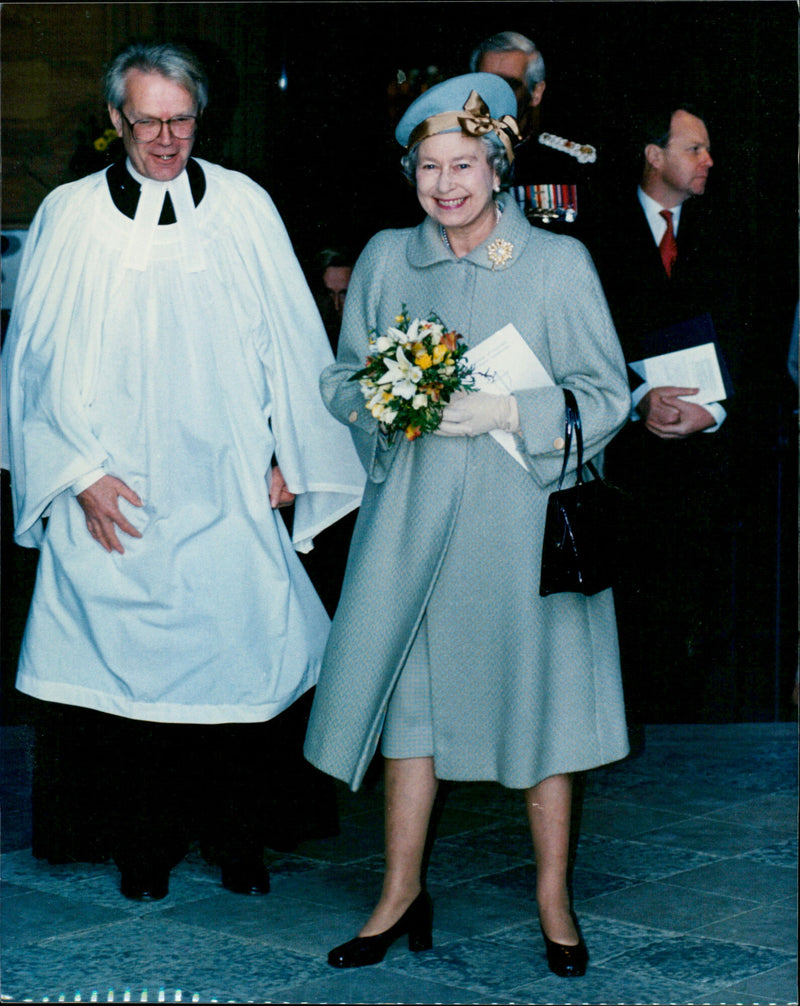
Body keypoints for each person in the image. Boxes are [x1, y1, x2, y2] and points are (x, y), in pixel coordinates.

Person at [2, 41, 364, 900]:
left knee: (238, 654)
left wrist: (293, 456)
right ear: (115, 121)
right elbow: (34, 361)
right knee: (125, 675)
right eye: (148, 121)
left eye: (181, 119)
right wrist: (76, 474)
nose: (166, 139)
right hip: (112, 485)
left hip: (227, 473)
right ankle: (141, 845)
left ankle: (240, 839)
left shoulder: (241, 206)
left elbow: (290, 339)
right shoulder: (72, 213)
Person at [304, 73, 631, 978]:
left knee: (544, 716)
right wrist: (385, 397)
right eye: (428, 166)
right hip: (411, 527)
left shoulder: (558, 265)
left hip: (518, 526)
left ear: (498, 168)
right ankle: (399, 891)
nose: (446, 184)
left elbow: (607, 394)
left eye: (464, 164)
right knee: (411, 716)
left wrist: (509, 413)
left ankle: (552, 898)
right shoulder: (382, 259)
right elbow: (340, 378)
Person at [586, 102, 742, 724]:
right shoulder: (596, 232)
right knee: (627, 613)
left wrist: (718, 410)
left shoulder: (731, 230)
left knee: (695, 611)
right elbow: (582, 338)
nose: (708, 161)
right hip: (624, 457)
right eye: (694, 149)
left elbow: (752, 341)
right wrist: (632, 400)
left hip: (707, 459)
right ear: (654, 157)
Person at [469, 30, 599, 236]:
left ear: (535, 93)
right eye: (485, 83)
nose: (494, 95)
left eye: (508, 84)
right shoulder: (449, 159)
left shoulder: (568, 167)